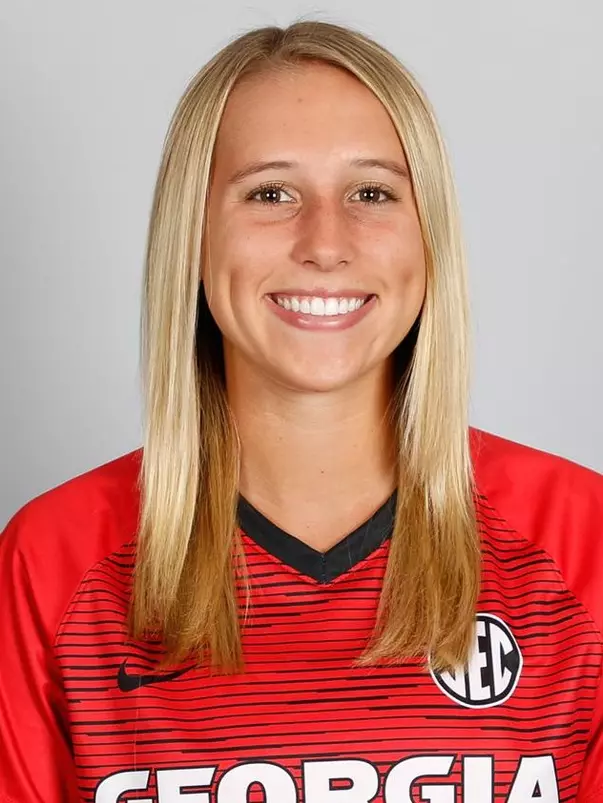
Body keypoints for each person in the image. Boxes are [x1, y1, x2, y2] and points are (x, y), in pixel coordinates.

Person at [0, 19, 602, 803]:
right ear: (194, 233)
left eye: (372, 192)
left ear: (427, 238)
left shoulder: (580, 541)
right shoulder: (51, 562)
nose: (325, 242)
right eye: (270, 192)